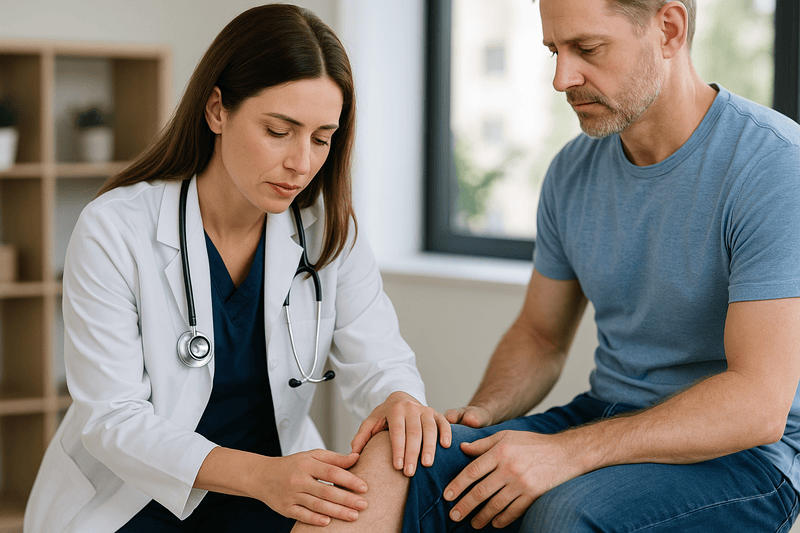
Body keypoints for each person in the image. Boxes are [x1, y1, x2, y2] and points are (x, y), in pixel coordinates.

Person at [292, 0, 800, 532]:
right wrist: (480, 417)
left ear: (668, 30)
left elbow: (757, 403)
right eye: (555, 51)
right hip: (605, 413)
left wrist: (568, 454)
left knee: (563, 514)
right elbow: (540, 336)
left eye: (588, 49)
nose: (562, 79)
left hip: (745, 460)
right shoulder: (572, 171)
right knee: (391, 464)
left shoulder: (772, 166)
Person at [23, 5, 451, 532]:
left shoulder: (328, 231)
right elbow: (113, 420)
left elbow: (380, 362)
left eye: (322, 138)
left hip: (275, 491)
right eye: (278, 130)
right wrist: (262, 476)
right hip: (138, 496)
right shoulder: (114, 229)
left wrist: (400, 399)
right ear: (217, 110)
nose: (301, 163)